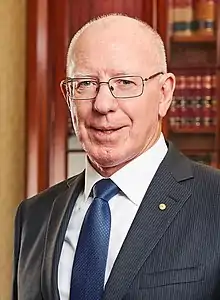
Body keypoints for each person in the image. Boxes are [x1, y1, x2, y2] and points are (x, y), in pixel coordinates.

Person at [12, 14, 220, 300]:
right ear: (68, 95)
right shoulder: (34, 215)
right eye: (85, 83)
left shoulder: (214, 201)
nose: (103, 104)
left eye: (124, 82)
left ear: (164, 94)